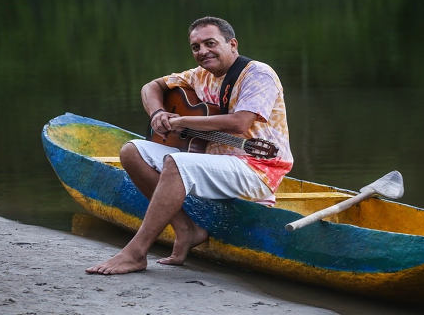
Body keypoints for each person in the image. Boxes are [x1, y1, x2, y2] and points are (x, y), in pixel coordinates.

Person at [86, 16, 293, 275]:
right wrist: (157, 113)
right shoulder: (199, 76)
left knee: (175, 163)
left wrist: (184, 120)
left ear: (232, 44)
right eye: (196, 47)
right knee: (131, 151)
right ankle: (186, 230)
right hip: (213, 163)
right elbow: (151, 86)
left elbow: (241, 123)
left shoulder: (258, 74)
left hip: (258, 168)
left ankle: (135, 253)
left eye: (210, 43)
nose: (203, 51)